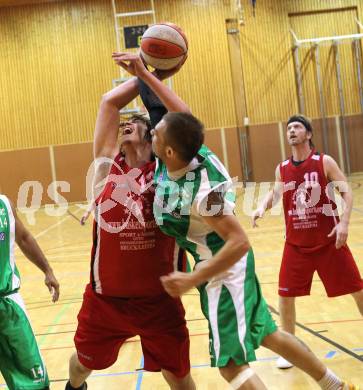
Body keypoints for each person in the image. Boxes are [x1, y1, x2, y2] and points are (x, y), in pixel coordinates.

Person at [112, 52, 359, 390]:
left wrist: (193, 277)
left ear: (168, 151)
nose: (152, 133)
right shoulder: (192, 150)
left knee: (230, 366)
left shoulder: (200, 193)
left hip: (223, 271)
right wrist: (145, 73)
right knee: (268, 334)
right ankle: (335, 385)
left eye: (157, 134)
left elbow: (240, 242)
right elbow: (182, 115)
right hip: (220, 269)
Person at [65, 64, 195, 390]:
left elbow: (186, 119)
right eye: (123, 124)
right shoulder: (105, 168)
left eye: (134, 123)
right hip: (107, 300)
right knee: (80, 365)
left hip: (159, 298)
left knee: (178, 375)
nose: (125, 126)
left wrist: (155, 77)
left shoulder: (168, 170)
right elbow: (109, 102)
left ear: (152, 136)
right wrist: (147, 74)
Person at [251, 114, 363, 369]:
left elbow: (346, 191)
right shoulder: (282, 168)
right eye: (289, 128)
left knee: (358, 289)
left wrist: (344, 223)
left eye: (297, 127)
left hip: (328, 242)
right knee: (285, 296)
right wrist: (260, 207)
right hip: (296, 245)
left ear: (308, 134)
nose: (291, 131)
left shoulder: (324, 162)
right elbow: (276, 193)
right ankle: (289, 349)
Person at [0, 194, 60, 390]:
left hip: (8, 306)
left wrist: (47, 270)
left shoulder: (4, 204)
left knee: (34, 382)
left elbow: (24, 238)